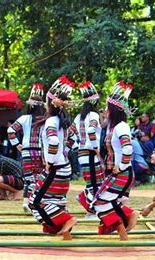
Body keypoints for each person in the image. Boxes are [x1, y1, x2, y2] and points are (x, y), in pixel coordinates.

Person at [29, 75, 77, 240]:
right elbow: (71, 139)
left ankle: (67, 221)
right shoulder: (60, 120)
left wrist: (49, 161)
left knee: (35, 202)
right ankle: (65, 232)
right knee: (56, 200)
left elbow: (54, 141)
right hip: (63, 166)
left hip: (55, 167)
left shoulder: (51, 121)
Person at [91, 81, 138, 241]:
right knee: (105, 201)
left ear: (113, 110)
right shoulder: (114, 126)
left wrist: (121, 166)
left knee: (101, 201)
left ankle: (130, 216)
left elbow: (128, 148)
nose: (104, 110)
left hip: (123, 172)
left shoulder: (121, 126)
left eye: (107, 108)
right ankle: (124, 233)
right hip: (117, 171)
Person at [7, 83, 45, 212]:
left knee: (28, 178)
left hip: (26, 151)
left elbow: (10, 130)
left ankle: (26, 202)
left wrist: (17, 144)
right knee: (40, 177)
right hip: (40, 151)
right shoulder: (45, 120)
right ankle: (34, 202)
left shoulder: (24, 118)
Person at [67, 81, 103, 217]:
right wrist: (95, 147)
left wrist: (77, 146)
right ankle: (91, 210)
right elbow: (91, 130)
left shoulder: (79, 117)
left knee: (92, 181)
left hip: (82, 153)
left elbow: (70, 132)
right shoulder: (93, 116)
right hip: (90, 152)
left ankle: (84, 198)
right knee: (95, 182)